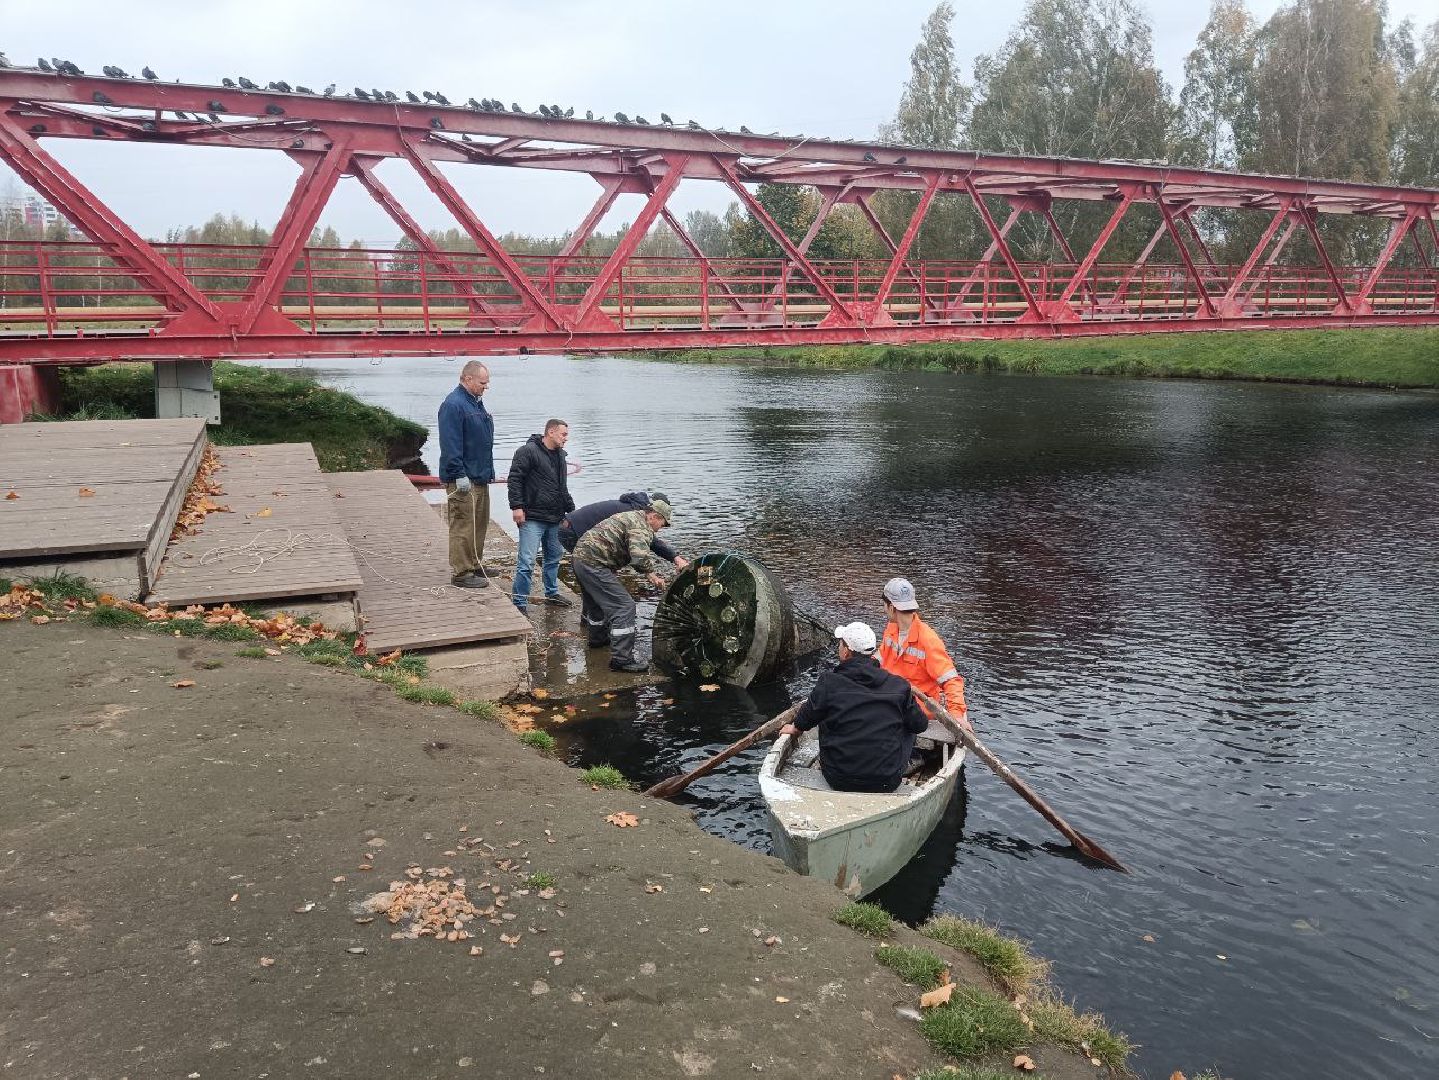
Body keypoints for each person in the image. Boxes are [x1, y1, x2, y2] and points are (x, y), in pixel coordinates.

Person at [779, 622, 929, 793]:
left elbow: (809, 714)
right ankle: (908, 761)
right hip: (886, 781)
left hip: (838, 778)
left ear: (846, 651)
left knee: (825, 714)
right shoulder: (899, 686)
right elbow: (921, 725)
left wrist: (796, 728)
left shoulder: (829, 682)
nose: (839, 647)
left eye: (840, 643)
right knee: (909, 723)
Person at [571, 498, 674, 672]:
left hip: (579, 559)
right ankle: (622, 660)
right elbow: (639, 556)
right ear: (654, 517)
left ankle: (598, 640)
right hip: (594, 564)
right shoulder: (641, 526)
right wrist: (652, 575)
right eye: (662, 525)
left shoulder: (632, 516)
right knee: (624, 607)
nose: (660, 530)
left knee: (596, 604)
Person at [877, 577, 971, 732]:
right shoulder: (892, 629)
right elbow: (880, 658)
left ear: (892, 607)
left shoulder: (928, 640)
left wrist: (956, 714)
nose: (883, 609)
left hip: (918, 714)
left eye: (884, 605)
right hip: (892, 703)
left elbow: (951, 680)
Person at [507, 418, 576, 613]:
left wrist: (572, 512)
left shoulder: (561, 456)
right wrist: (517, 507)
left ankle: (552, 593)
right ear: (551, 432)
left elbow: (562, 488)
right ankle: (520, 603)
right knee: (527, 563)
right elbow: (515, 480)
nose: (566, 438)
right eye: (564, 434)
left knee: (554, 557)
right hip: (532, 517)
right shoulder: (527, 451)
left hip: (555, 517)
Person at [437, 361, 494, 589]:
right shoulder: (454, 405)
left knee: (479, 523)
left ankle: (474, 563)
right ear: (467, 379)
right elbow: (450, 444)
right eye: (482, 382)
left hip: (480, 476)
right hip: (464, 478)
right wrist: (458, 473)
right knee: (463, 525)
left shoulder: (476, 402)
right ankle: (461, 573)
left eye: (487, 383)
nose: (485, 387)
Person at [559, 490, 690, 571]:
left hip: (568, 525)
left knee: (597, 567)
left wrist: (674, 557)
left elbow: (649, 541)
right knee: (593, 565)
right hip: (572, 530)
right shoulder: (635, 514)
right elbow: (651, 543)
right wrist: (675, 559)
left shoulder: (636, 508)